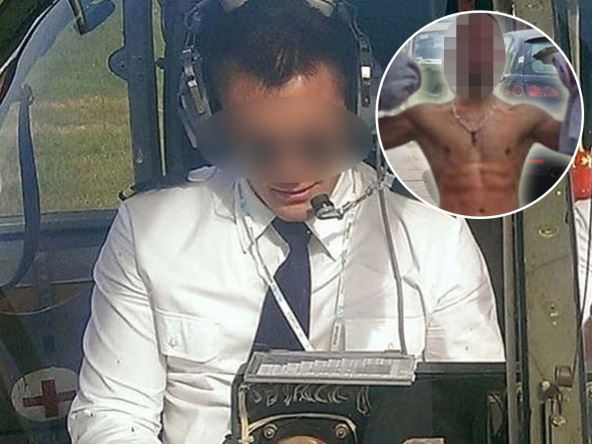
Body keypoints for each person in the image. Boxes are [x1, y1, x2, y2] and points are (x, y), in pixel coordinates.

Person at [68, 1, 504, 443]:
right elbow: (111, 415)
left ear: (359, 105)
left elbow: (475, 412)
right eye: (257, 145)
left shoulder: (432, 237)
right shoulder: (150, 233)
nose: (289, 171)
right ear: (210, 117)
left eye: (315, 142)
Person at [378, 13, 577, 217]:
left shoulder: (525, 118)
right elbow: (372, 140)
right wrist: (384, 98)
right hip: (453, 225)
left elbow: (573, 143)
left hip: (508, 223)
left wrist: (575, 95)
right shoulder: (425, 118)